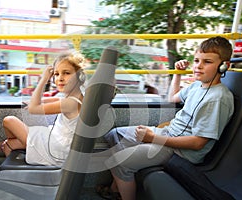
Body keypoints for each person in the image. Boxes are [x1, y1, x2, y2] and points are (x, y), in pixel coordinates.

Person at [99, 36, 234, 200]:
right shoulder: (197, 86)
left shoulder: (217, 98)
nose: (198, 66)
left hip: (180, 152)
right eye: (196, 60)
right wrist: (177, 74)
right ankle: (117, 190)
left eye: (207, 62)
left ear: (223, 66)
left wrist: (153, 138)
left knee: (118, 161)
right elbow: (172, 98)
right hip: (166, 133)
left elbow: (198, 143)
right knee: (114, 135)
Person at [0, 51, 86, 166]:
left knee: (8, 121)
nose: (60, 78)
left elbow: (34, 109)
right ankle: (13, 151)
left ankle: (18, 147)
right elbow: (52, 101)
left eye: (66, 73)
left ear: (79, 75)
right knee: (10, 145)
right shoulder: (77, 96)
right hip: (59, 144)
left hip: (57, 149)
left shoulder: (70, 103)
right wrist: (35, 101)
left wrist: (43, 79)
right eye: (56, 74)